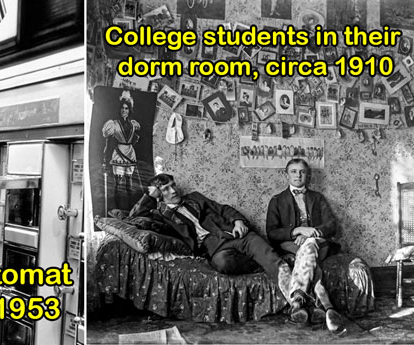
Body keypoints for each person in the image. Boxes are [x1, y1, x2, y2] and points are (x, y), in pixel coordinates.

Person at [128, 174, 296, 314]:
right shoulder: (160, 215)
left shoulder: (195, 198)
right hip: (214, 249)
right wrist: (149, 196)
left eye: (173, 185)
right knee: (224, 264)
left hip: (237, 235)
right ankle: (263, 264)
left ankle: (296, 301)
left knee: (269, 256)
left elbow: (222, 209)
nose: (173, 190)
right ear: (158, 194)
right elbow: (133, 219)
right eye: (165, 189)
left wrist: (238, 221)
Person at [266, 159, 345, 333]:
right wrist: (297, 231)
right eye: (293, 171)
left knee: (309, 245)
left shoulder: (317, 198)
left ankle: (297, 300)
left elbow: (331, 225)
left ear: (307, 175)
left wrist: (313, 232)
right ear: (287, 174)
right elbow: (271, 232)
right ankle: (325, 306)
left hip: (317, 242)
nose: (298, 175)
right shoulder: (277, 200)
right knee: (310, 261)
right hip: (290, 244)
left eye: (302, 172)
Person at [102, 90, 142, 210]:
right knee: (118, 183)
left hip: (130, 152)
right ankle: (117, 208)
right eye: (122, 108)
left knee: (129, 183)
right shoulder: (113, 124)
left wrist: (135, 139)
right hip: (119, 153)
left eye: (126, 108)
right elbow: (108, 141)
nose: (124, 110)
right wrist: (105, 157)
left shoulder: (134, 124)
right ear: (119, 109)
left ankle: (130, 209)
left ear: (130, 110)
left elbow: (134, 137)